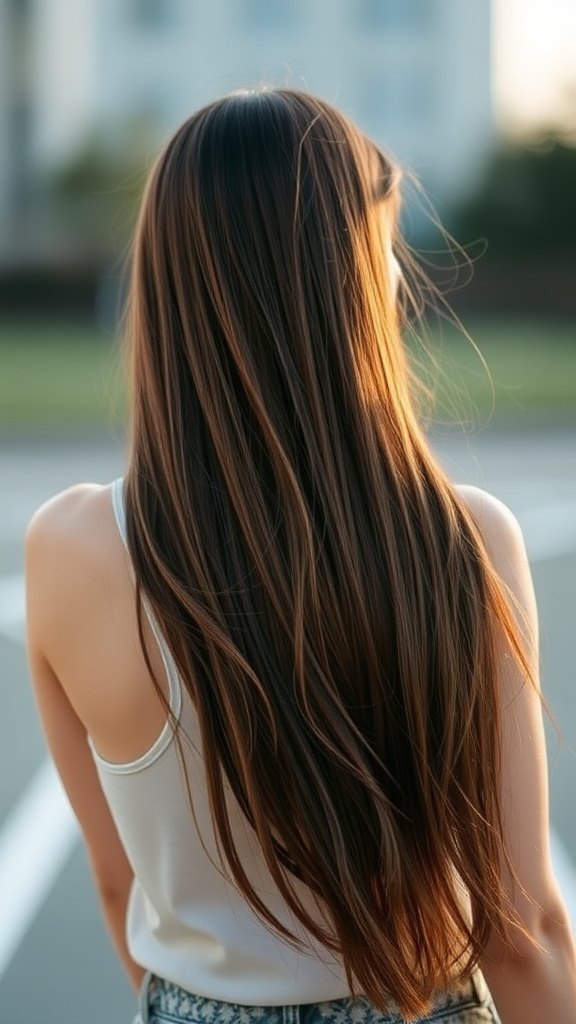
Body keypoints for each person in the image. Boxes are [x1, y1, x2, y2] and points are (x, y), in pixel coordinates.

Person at [25, 87, 576, 1024]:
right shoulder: (463, 540)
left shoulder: (69, 549)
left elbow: (120, 891)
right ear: (350, 281)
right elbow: (521, 931)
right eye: (385, 249)